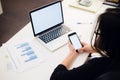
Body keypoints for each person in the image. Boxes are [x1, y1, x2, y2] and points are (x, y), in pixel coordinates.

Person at [50, 8, 120, 80]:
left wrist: (72, 53)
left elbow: (55, 77)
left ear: (109, 39)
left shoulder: (99, 65)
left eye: (100, 33)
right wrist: (95, 49)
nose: (98, 37)